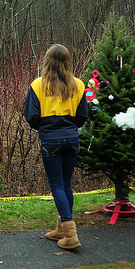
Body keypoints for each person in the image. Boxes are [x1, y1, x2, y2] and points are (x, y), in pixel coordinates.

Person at [24, 44, 88, 250]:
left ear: (47, 62)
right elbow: (83, 116)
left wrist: (43, 128)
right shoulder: (78, 85)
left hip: (50, 139)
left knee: (57, 185)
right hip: (72, 139)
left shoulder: (37, 85)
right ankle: (61, 229)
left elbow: (31, 116)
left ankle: (70, 235)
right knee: (66, 184)